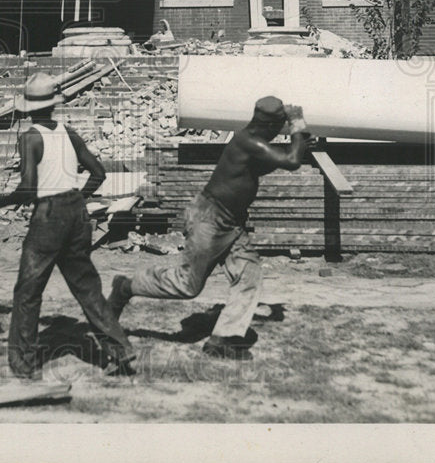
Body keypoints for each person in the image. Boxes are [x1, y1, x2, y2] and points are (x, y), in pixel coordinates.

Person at [107, 96, 310, 360]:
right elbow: (292, 161)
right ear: (271, 125)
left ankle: (223, 339)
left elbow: (265, 166)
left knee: (249, 276)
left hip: (231, 222)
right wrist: (297, 123)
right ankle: (126, 286)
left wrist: (299, 141)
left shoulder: (251, 143)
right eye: (279, 126)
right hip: (209, 219)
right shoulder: (248, 141)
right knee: (187, 286)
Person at [0, 73, 134, 379]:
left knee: (28, 290)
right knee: (87, 286)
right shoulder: (69, 133)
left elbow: (27, 189)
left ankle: (23, 363)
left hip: (49, 216)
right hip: (76, 212)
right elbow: (98, 173)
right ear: (53, 104)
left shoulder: (30, 137)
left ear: (27, 108)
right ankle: (120, 349)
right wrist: (77, 198)